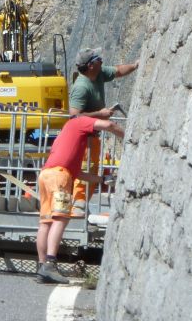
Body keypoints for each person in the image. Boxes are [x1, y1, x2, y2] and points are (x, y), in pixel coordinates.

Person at [36, 115, 125, 284]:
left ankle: (41, 267)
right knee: (60, 218)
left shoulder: (67, 138)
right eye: (96, 133)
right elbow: (110, 124)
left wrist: (102, 180)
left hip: (47, 175)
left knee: (45, 222)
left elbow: (76, 174)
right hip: (59, 177)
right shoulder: (79, 122)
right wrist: (127, 137)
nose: (96, 137)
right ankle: (50, 264)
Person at [68, 47, 139, 209]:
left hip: (93, 136)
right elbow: (74, 117)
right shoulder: (81, 87)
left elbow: (118, 71)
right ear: (91, 65)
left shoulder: (98, 74)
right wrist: (100, 114)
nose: (102, 60)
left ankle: (80, 204)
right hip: (83, 138)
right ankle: (77, 206)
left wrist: (135, 66)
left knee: (91, 170)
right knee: (86, 170)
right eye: (98, 58)